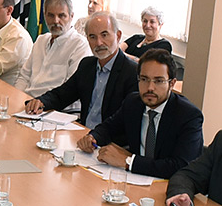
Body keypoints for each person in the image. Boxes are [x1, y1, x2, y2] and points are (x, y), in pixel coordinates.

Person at [77, 49, 202, 179]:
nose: (150, 88)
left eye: (158, 81)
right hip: (134, 180)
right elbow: (108, 127)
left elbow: (180, 166)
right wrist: (93, 137)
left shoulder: (188, 115)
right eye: (144, 79)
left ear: (172, 83)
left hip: (168, 187)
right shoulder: (133, 102)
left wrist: (128, 161)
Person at [24, 12, 138, 141]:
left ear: (118, 36)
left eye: (104, 35)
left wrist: (96, 137)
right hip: (83, 135)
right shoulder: (87, 65)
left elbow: (124, 120)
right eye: (92, 37)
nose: (99, 43)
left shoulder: (132, 72)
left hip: (110, 143)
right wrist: (41, 102)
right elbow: (63, 94)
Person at [14, 0, 90, 97]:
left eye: (61, 15)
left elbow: (71, 90)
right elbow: (24, 77)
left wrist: (41, 103)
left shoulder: (79, 45)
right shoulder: (41, 40)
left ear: (71, 16)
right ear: (44, 15)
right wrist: (16, 97)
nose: (56, 21)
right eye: (51, 15)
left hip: (55, 108)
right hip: (28, 103)